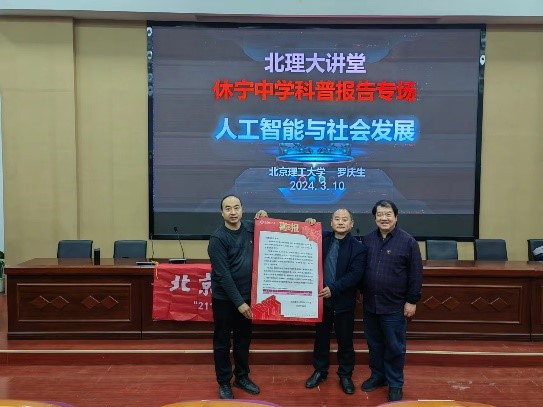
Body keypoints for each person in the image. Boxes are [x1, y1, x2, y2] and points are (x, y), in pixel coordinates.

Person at [360, 199, 423, 402]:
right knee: (374, 344)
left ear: (396, 217)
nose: (384, 218)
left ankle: (395, 383)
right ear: (375, 218)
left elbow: (416, 274)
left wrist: (412, 301)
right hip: (370, 305)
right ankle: (378, 376)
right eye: (380, 214)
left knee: (395, 346)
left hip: (394, 306)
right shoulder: (367, 240)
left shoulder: (408, 242)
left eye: (388, 214)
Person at [207, 194, 267, 399]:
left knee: (243, 340)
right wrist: (240, 303)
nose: (233, 212)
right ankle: (224, 382)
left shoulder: (250, 227)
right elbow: (222, 275)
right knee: (223, 342)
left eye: (236, 207)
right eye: (228, 208)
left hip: (247, 296)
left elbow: (272, 230)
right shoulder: (217, 239)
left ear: (242, 209)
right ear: (221, 212)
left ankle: (241, 377)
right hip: (225, 299)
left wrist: (265, 218)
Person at [304, 209, 367, 394]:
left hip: (343, 303)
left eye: (344, 219)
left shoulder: (358, 248)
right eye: (337, 219)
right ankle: (320, 371)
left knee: (345, 341)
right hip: (320, 302)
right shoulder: (320, 238)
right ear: (331, 223)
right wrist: (308, 224)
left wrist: (334, 288)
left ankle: (345, 375)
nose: (340, 222)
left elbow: (355, 275)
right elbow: (302, 237)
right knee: (321, 339)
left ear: (351, 224)